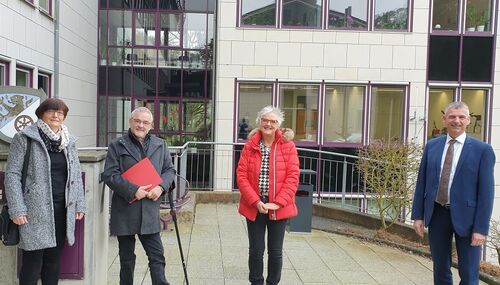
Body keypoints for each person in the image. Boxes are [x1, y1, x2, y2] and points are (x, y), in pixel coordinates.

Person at [411, 101, 495, 285]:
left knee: (469, 273)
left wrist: (481, 228)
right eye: (452, 117)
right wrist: (418, 215)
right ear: (444, 119)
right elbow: (422, 182)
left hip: (469, 219)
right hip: (437, 213)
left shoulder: (483, 150)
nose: (456, 121)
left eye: (461, 117)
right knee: (440, 269)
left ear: (468, 120)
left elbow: (487, 193)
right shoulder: (431, 146)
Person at [5, 98, 86, 285]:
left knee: (53, 261)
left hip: (62, 210)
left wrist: (79, 204)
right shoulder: (25, 138)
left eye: (60, 112)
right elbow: (12, 174)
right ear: (41, 114)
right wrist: (17, 209)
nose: (56, 115)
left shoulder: (68, 141)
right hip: (34, 212)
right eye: (51, 111)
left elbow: (75, 175)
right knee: (32, 263)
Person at [103, 107, 175, 285]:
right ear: (130, 121)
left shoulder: (160, 144)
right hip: (125, 209)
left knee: (157, 256)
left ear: (151, 126)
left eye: (145, 122)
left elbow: (169, 170)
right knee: (126, 260)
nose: (140, 125)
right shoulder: (117, 145)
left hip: (150, 209)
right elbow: (110, 175)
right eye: (137, 121)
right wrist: (133, 189)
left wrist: (161, 187)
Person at [237, 106, 300, 285]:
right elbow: (241, 176)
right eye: (265, 120)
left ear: (279, 124)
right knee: (256, 250)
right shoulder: (250, 146)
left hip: (278, 207)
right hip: (254, 205)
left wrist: (278, 203)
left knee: (275, 251)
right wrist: (255, 201)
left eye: (273, 121)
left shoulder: (287, 146)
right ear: (260, 122)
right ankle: (256, 282)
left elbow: (293, 177)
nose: (269, 124)